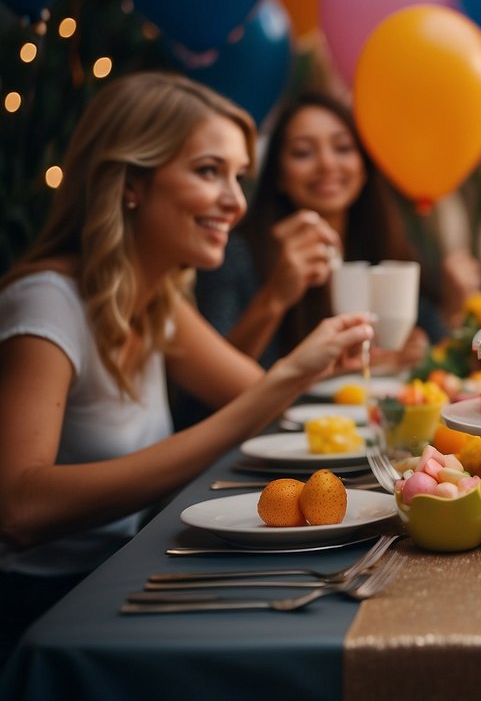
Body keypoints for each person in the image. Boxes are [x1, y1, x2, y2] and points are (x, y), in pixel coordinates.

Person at [0, 73, 374, 659]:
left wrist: (319, 367)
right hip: (37, 611)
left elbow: (258, 396)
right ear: (131, 183)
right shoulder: (47, 302)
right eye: (209, 171)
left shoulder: (158, 301)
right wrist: (288, 375)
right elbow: (19, 508)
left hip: (118, 571)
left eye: (239, 176)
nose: (237, 201)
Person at [192, 92, 474, 375]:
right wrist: (275, 295)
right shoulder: (236, 251)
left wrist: (449, 313)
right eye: (303, 152)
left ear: (364, 166)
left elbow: (434, 352)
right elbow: (209, 383)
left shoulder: (380, 241)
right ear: (278, 174)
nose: (327, 164)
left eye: (342, 148)